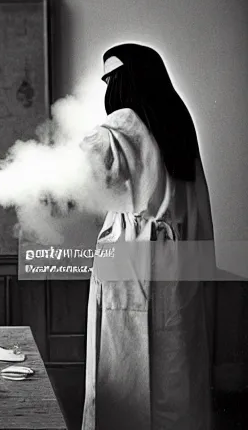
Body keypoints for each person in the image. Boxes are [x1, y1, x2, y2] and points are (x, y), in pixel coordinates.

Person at [79, 43, 216, 430]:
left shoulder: (123, 122)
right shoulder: (177, 122)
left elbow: (81, 166)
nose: (108, 87)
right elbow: (198, 207)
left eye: (111, 78)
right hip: (179, 261)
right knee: (176, 369)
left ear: (126, 80)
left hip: (131, 258)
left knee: (125, 367)